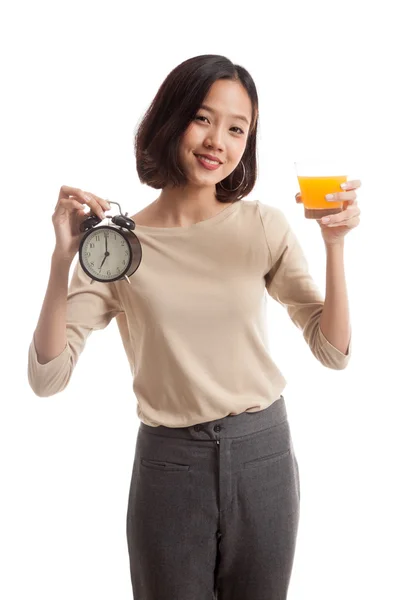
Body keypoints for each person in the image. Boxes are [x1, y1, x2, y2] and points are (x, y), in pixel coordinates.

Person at [27, 54, 358, 600]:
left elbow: (334, 351)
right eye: (203, 118)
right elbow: (47, 377)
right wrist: (62, 260)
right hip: (168, 466)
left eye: (237, 129)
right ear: (171, 118)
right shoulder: (119, 246)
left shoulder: (262, 225)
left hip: (264, 457)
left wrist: (335, 245)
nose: (217, 142)